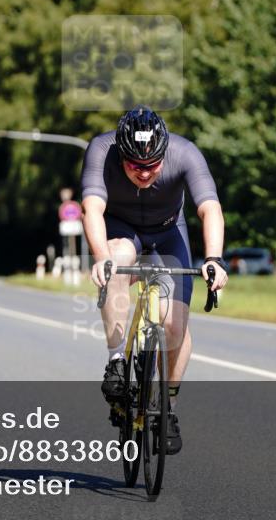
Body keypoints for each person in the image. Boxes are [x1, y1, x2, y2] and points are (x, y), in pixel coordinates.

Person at [82, 105, 228, 455]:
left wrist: (213, 259)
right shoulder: (101, 150)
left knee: (175, 326)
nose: (145, 173)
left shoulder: (185, 152)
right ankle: (117, 363)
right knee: (116, 261)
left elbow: (210, 208)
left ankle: (167, 407)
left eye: (153, 165)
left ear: (164, 152)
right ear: (121, 155)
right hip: (122, 230)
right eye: (135, 165)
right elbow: (92, 208)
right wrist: (101, 257)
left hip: (168, 232)